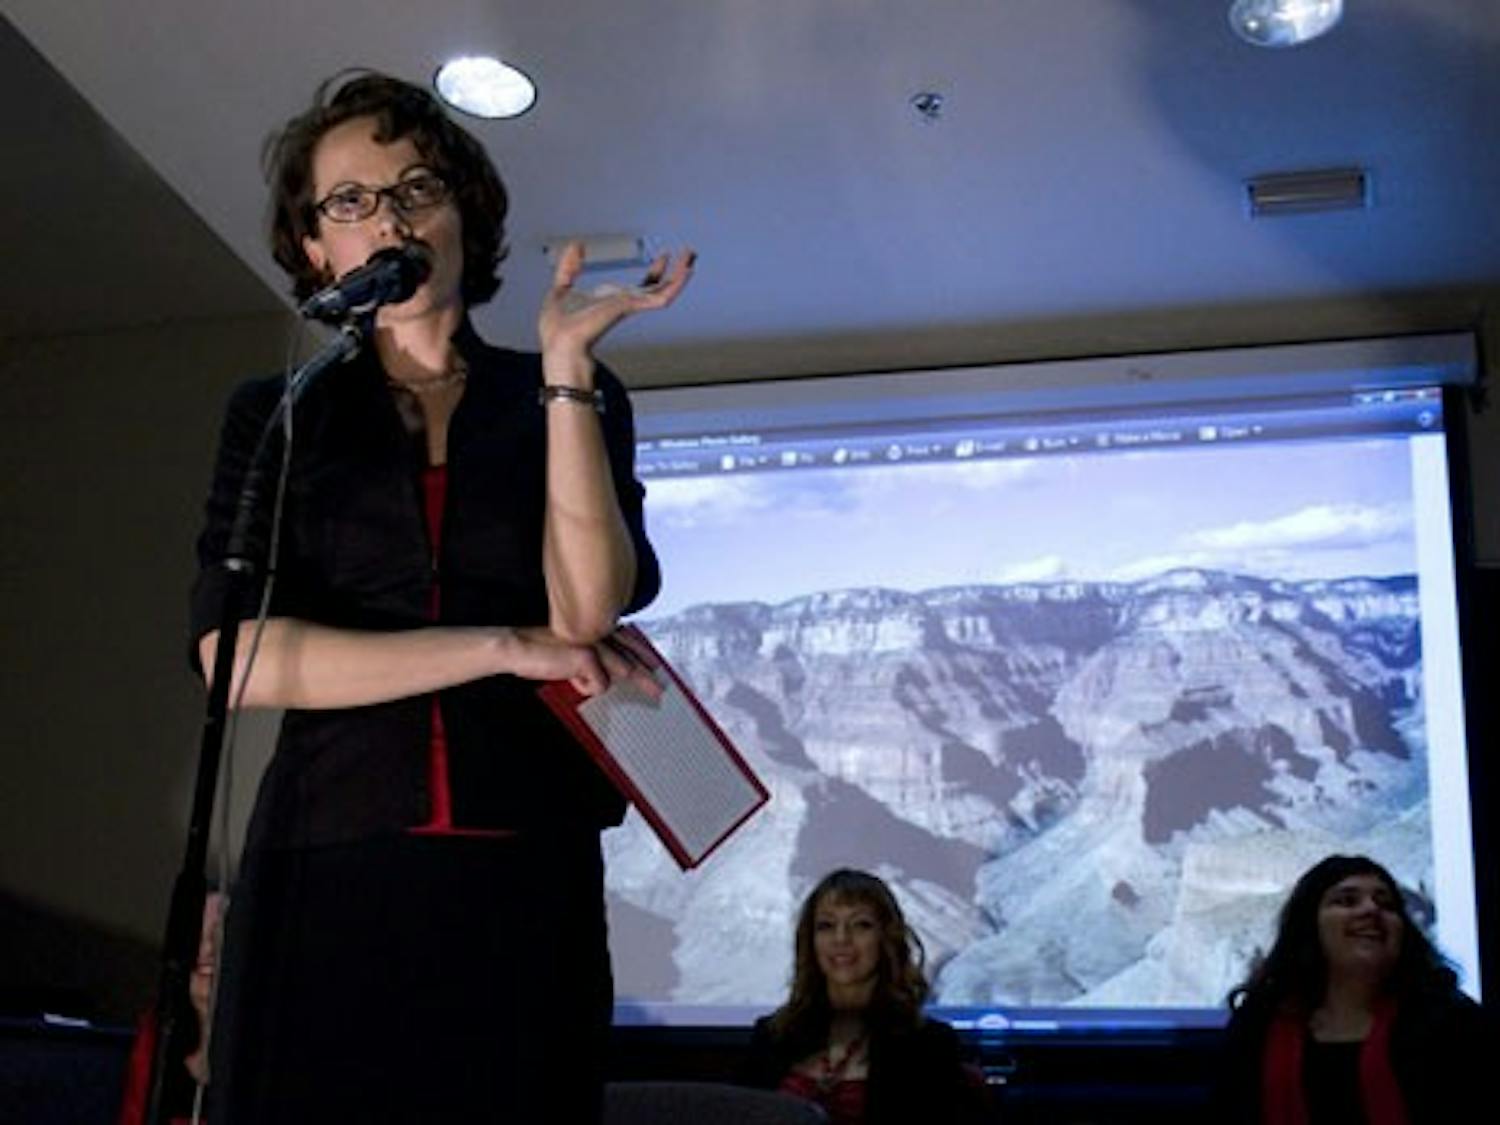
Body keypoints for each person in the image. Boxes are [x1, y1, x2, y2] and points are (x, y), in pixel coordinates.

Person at [189, 70, 692, 1123]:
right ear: (316, 249)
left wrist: (563, 372)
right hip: (327, 864)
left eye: (419, 188)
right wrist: (502, 647)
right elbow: (234, 659)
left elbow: (587, 612)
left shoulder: (572, 393)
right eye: (351, 201)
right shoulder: (283, 410)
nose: (390, 218)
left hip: (523, 865)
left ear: (465, 217)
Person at [1214, 853, 1493, 1124]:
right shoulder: (1257, 1028)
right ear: (1309, 925)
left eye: (1386, 904)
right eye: (1347, 900)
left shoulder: (1453, 1022)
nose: (1371, 910)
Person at [741, 868, 989, 1124]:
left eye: (861, 925)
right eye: (826, 925)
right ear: (810, 940)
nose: (841, 939)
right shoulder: (771, 1035)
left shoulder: (929, 1045)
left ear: (886, 938)